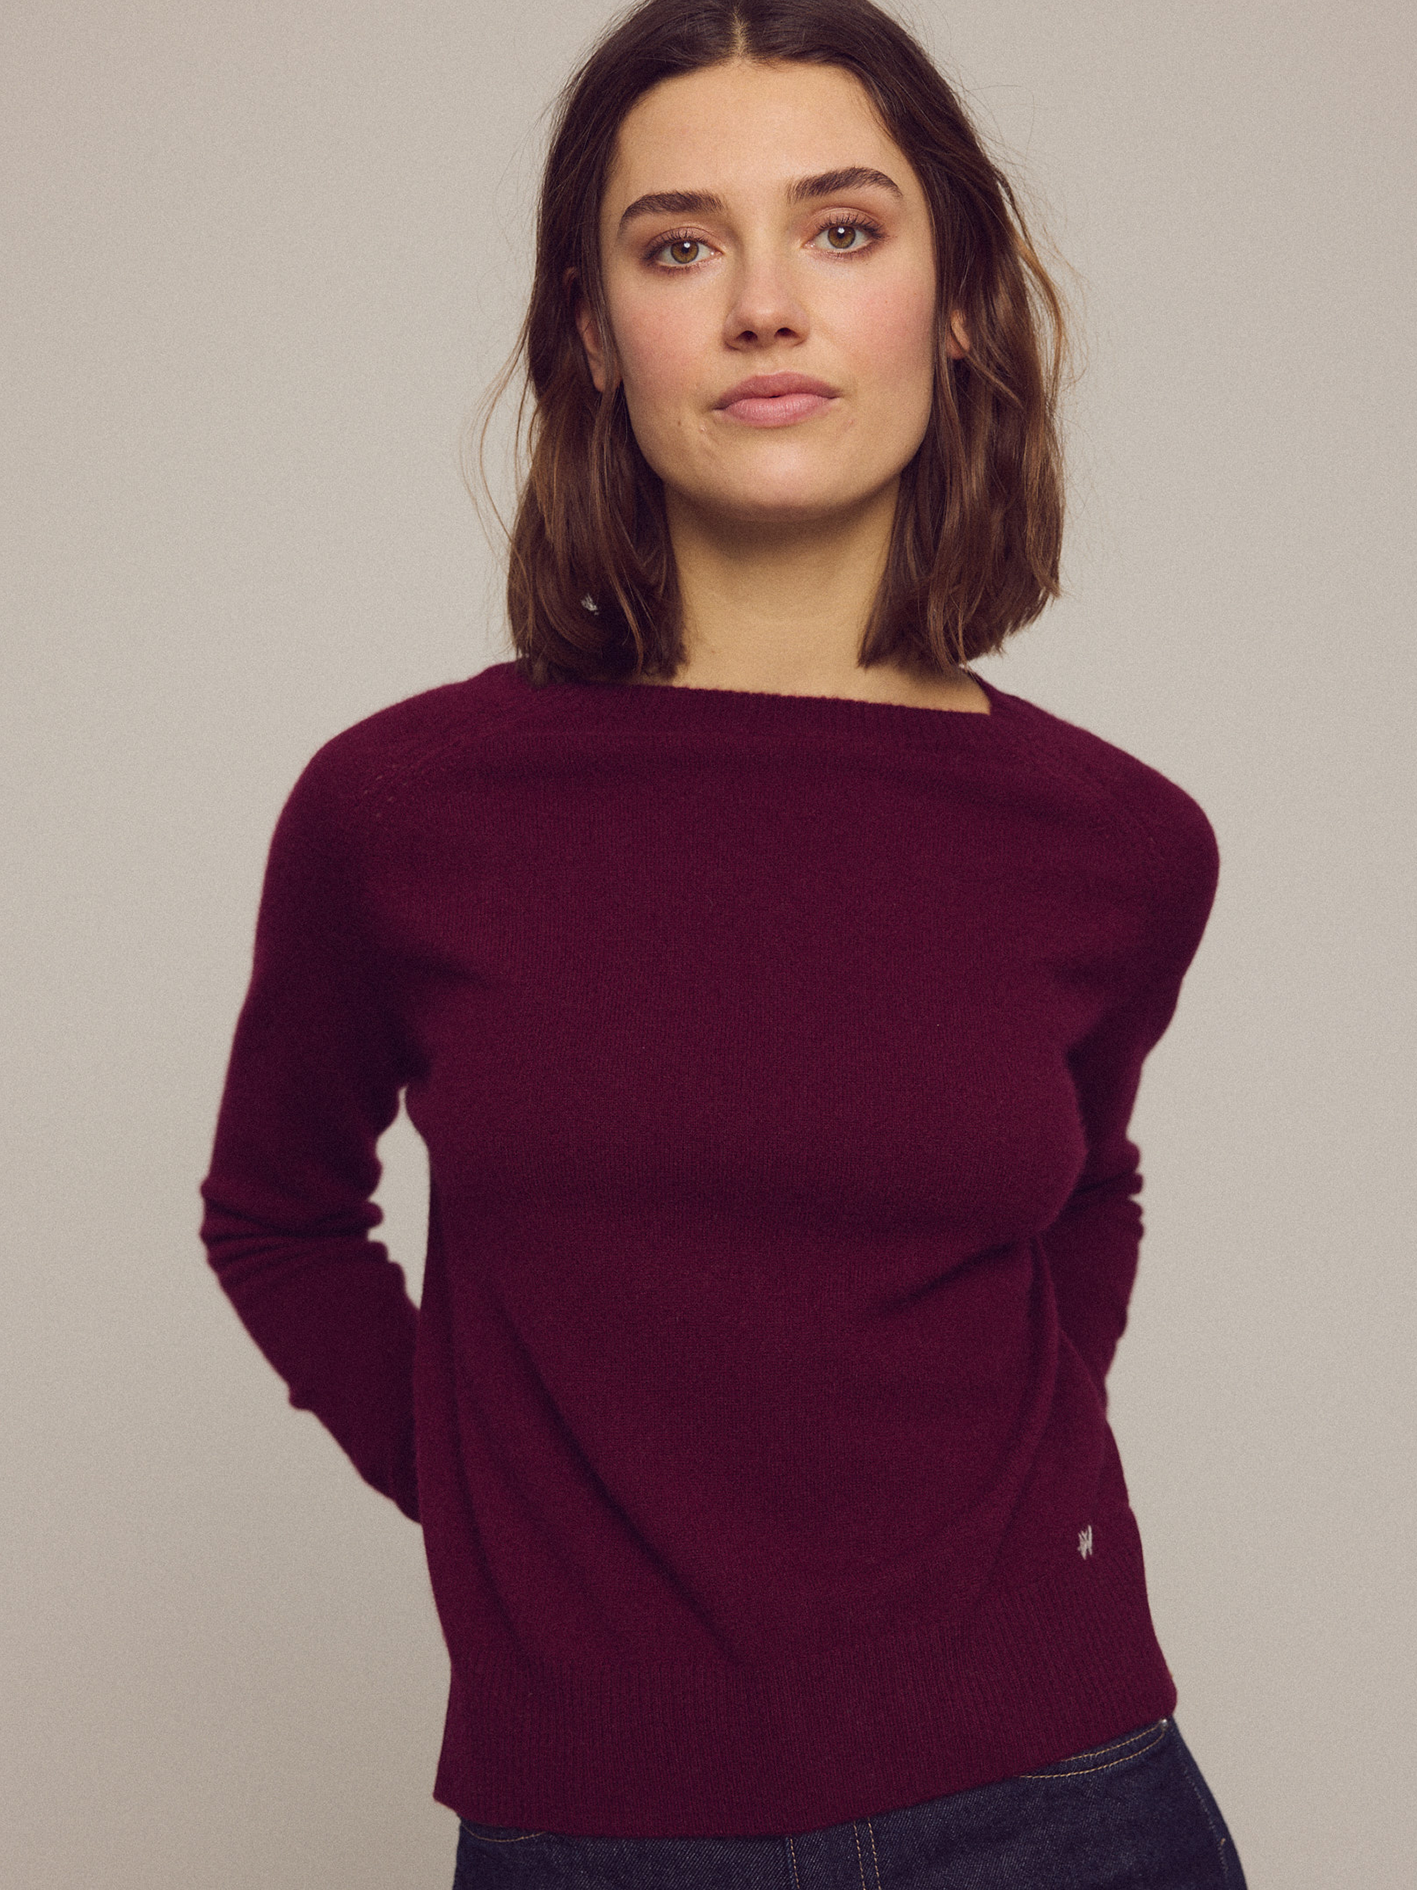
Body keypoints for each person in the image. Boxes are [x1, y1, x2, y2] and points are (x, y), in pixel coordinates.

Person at [199, 1, 1248, 1883]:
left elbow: (1086, 1187)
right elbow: (275, 1213)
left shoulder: (1120, 841)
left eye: (842, 229)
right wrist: (492, 1500)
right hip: (599, 1827)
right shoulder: (400, 809)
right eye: (681, 246)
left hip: (1070, 1804)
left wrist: (994, 1503)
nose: (767, 305)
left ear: (955, 297)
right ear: (596, 336)